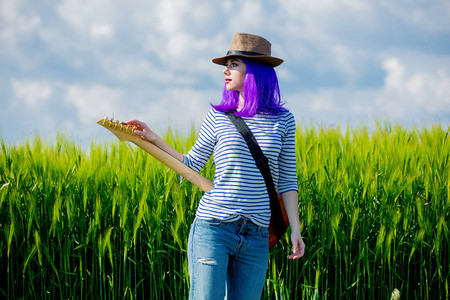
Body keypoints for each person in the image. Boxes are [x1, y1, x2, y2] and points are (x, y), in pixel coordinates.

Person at [127, 33, 305, 300]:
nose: (225, 70)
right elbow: (191, 163)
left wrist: (295, 229)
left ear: (255, 70)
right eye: (227, 63)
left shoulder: (284, 121)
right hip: (214, 228)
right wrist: (154, 139)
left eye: (234, 63)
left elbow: (288, 181)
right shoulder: (218, 116)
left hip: (256, 235)